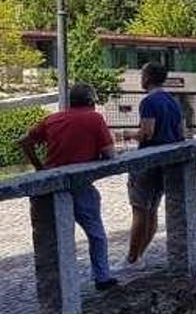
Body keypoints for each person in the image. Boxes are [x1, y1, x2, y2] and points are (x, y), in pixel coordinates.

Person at [19, 84, 118, 291]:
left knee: (54, 239)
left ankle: (56, 286)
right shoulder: (95, 118)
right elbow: (110, 154)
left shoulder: (53, 119)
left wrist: (40, 168)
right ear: (91, 101)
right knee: (95, 233)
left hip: (49, 186)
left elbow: (25, 141)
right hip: (80, 185)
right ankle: (102, 277)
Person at [121, 62, 184, 269]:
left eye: (142, 74)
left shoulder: (148, 102)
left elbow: (147, 132)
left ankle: (132, 258)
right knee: (153, 209)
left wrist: (128, 134)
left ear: (147, 78)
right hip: (166, 163)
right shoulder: (173, 101)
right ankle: (140, 254)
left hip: (148, 162)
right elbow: (181, 132)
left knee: (139, 209)